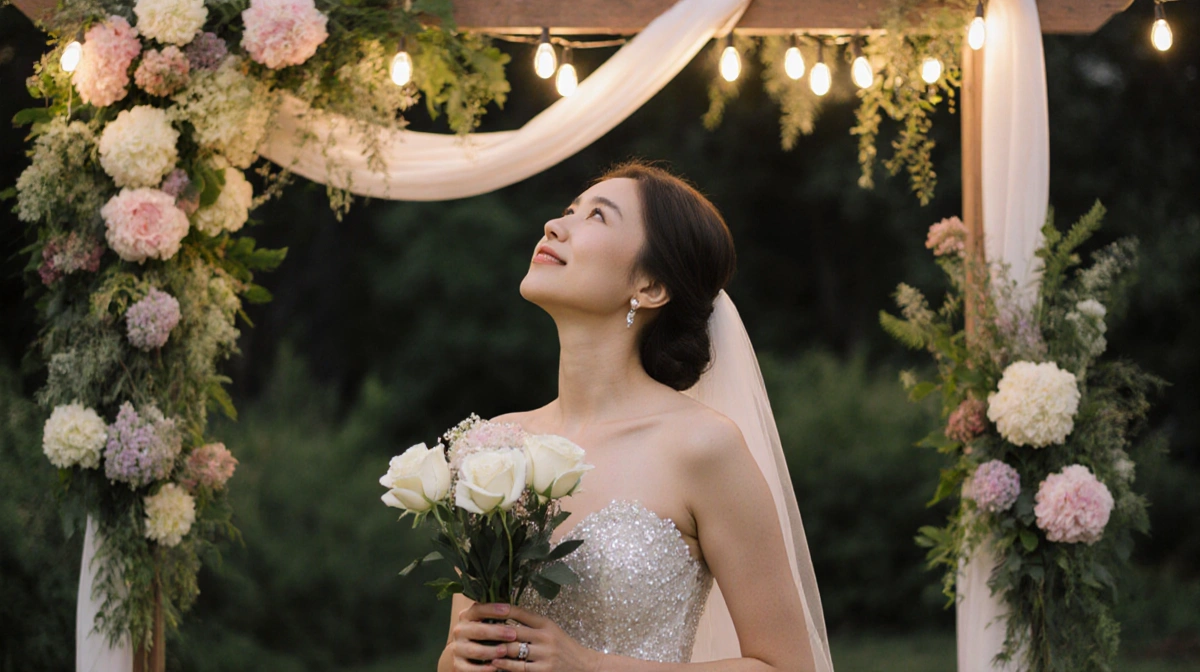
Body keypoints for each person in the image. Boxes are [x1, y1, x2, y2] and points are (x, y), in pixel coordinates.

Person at [438, 160, 833, 672]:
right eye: (568, 210)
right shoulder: (492, 447)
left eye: (597, 217)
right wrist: (455, 659)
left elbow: (788, 667)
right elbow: (462, 650)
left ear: (649, 287)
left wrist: (590, 667)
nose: (555, 226)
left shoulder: (702, 446)